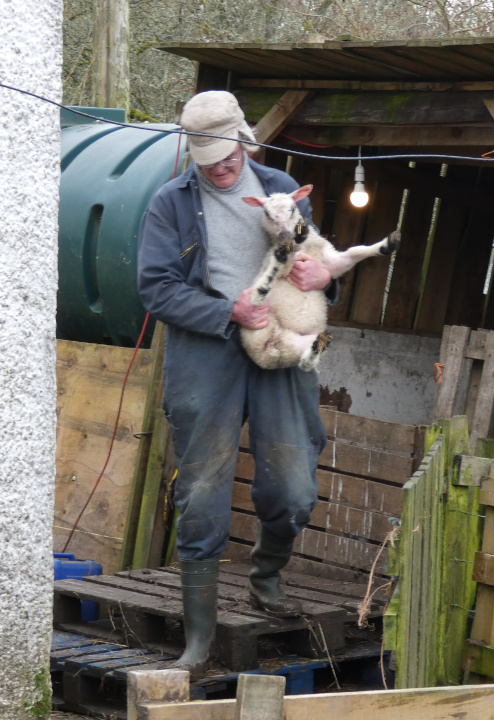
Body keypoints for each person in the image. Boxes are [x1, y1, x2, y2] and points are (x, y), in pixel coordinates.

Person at [136, 90, 336, 676]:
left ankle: (266, 577)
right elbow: (155, 288)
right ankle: (198, 639)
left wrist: (324, 275)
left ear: (245, 140)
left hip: (281, 345)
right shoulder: (168, 205)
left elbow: (316, 263)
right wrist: (228, 313)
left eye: (226, 155)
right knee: (201, 490)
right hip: (208, 351)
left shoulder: (280, 186)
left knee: (294, 487)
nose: (220, 167)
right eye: (207, 159)